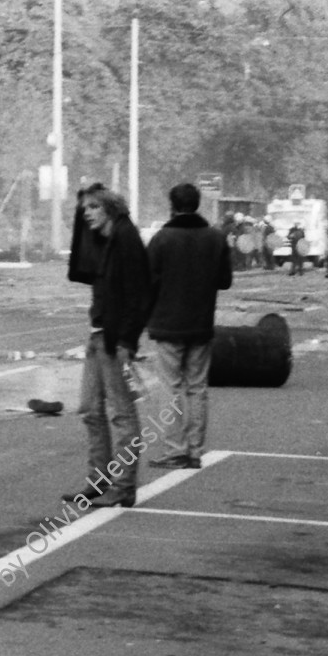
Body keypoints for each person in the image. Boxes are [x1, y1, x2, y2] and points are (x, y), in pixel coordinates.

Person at [64, 185, 153, 509]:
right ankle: (98, 481)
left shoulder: (126, 239)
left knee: (122, 415)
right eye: (84, 208)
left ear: (110, 209)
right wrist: (80, 213)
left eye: (93, 207)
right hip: (98, 334)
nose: (87, 213)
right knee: (89, 408)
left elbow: (142, 294)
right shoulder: (106, 240)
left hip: (115, 340)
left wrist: (128, 340)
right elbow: (79, 270)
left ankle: (124, 486)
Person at [145, 182, 232, 470]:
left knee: (170, 388)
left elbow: (148, 281)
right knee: (197, 388)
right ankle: (195, 451)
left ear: (172, 206)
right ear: (198, 204)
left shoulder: (161, 239)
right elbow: (225, 281)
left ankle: (175, 450)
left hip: (167, 325)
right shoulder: (216, 238)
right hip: (201, 324)